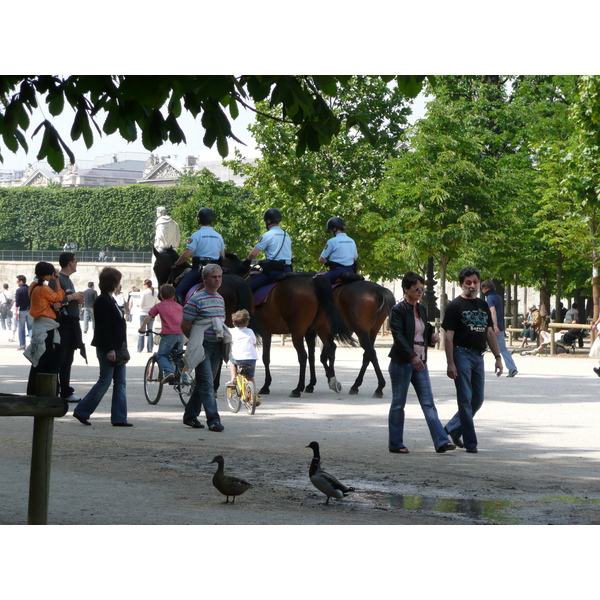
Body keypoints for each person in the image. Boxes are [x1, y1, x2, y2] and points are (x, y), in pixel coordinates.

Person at [387, 271, 456, 454]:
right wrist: (412, 356)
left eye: (422, 289)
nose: (420, 292)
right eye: (416, 288)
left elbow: (422, 331)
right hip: (402, 362)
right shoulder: (398, 310)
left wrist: (430, 337)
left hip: (421, 362)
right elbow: (399, 336)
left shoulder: (421, 309)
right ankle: (395, 443)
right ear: (406, 289)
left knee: (428, 403)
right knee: (398, 403)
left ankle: (442, 441)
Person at [442, 266, 503, 453]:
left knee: (477, 399)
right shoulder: (454, 306)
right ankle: (471, 443)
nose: (472, 285)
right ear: (461, 284)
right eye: (468, 282)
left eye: (475, 282)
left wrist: (498, 357)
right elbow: (448, 336)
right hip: (461, 354)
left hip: (479, 356)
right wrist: (450, 362)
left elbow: (490, 333)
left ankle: (452, 428)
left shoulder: (483, 305)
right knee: (465, 399)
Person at [73, 267, 132, 427]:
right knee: (105, 380)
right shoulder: (103, 301)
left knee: (119, 382)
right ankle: (83, 410)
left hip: (117, 347)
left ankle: (119, 418)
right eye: (118, 282)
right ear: (114, 283)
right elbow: (104, 328)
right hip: (110, 348)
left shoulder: (108, 299)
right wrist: (111, 349)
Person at [180, 264, 226, 431]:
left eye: (219, 277)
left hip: (217, 345)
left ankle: (190, 416)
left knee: (204, 383)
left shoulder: (220, 299)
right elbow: (185, 324)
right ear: (205, 279)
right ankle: (213, 420)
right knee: (207, 384)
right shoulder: (196, 299)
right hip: (203, 346)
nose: (217, 280)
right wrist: (195, 340)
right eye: (214, 277)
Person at [24, 262, 65, 395]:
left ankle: (32, 390)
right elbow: (59, 297)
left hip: (39, 324)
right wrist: (57, 280)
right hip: (47, 326)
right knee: (47, 358)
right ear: (47, 274)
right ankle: (46, 391)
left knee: (39, 359)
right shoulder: (43, 288)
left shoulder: (32, 286)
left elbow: (40, 304)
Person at [50, 252, 86, 404]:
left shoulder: (67, 280)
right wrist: (73, 297)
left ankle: (64, 389)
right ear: (70, 263)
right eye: (75, 261)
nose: (77, 263)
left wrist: (76, 299)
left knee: (67, 358)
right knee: (61, 358)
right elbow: (53, 300)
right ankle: (58, 390)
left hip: (71, 323)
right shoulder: (57, 280)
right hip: (64, 324)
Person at [173, 208, 225, 303]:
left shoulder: (196, 235)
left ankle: (182, 315)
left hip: (200, 269)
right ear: (212, 220)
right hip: (217, 268)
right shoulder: (218, 236)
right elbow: (222, 256)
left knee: (178, 292)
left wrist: (176, 264)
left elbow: (186, 255)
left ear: (198, 220)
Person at [139, 284, 183, 383]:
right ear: (174, 296)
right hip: (180, 335)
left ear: (161, 296)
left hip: (168, 335)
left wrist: (142, 328)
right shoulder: (179, 307)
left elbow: (148, 317)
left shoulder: (159, 306)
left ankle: (169, 372)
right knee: (178, 357)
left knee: (162, 355)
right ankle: (182, 378)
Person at [246, 208, 293, 292]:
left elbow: (253, 255)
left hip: (274, 271)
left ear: (268, 221)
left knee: (245, 287)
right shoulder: (287, 235)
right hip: (288, 270)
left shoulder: (268, 235)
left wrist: (246, 261)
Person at [481, 280, 518, 377]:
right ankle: (512, 368)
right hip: (500, 327)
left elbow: (493, 312)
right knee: (503, 349)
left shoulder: (489, 298)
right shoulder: (498, 297)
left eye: (483, 288)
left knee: (482, 348)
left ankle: (477, 367)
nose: (482, 290)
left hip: (491, 327)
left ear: (487, 288)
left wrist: (494, 326)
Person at [227, 309, 259, 403]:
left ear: (233, 323)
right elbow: (254, 343)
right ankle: (253, 396)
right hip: (251, 358)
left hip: (238, 357)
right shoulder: (250, 331)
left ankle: (233, 379)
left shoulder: (231, 332)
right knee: (250, 377)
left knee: (232, 361)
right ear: (247, 322)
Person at [318, 217, 358, 283]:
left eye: (330, 231)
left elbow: (321, 259)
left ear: (334, 228)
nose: (331, 233)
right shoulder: (352, 241)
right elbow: (355, 258)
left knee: (319, 281)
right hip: (351, 271)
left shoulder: (332, 241)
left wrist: (328, 262)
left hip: (337, 271)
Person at [137, 279, 158, 353]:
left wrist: (138, 305)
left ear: (146, 285)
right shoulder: (155, 293)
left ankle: (140, 348)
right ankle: (150, 348)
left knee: (142, 330)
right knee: (150, 331)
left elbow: (141, 303)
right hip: (151, 313)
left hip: (143, 312)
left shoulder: (144, 292)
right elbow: (156, 303)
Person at [14, 275, 32, 351]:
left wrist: (16, 313)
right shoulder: (30, 289)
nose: (17, 283)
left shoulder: (19, 291)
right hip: (30, 311)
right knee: (31, 328)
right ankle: (33, 344)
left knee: (21, 329)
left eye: (17, 281)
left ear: (21, 281)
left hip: (22, 310)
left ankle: (22, 345)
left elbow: (17, 303)